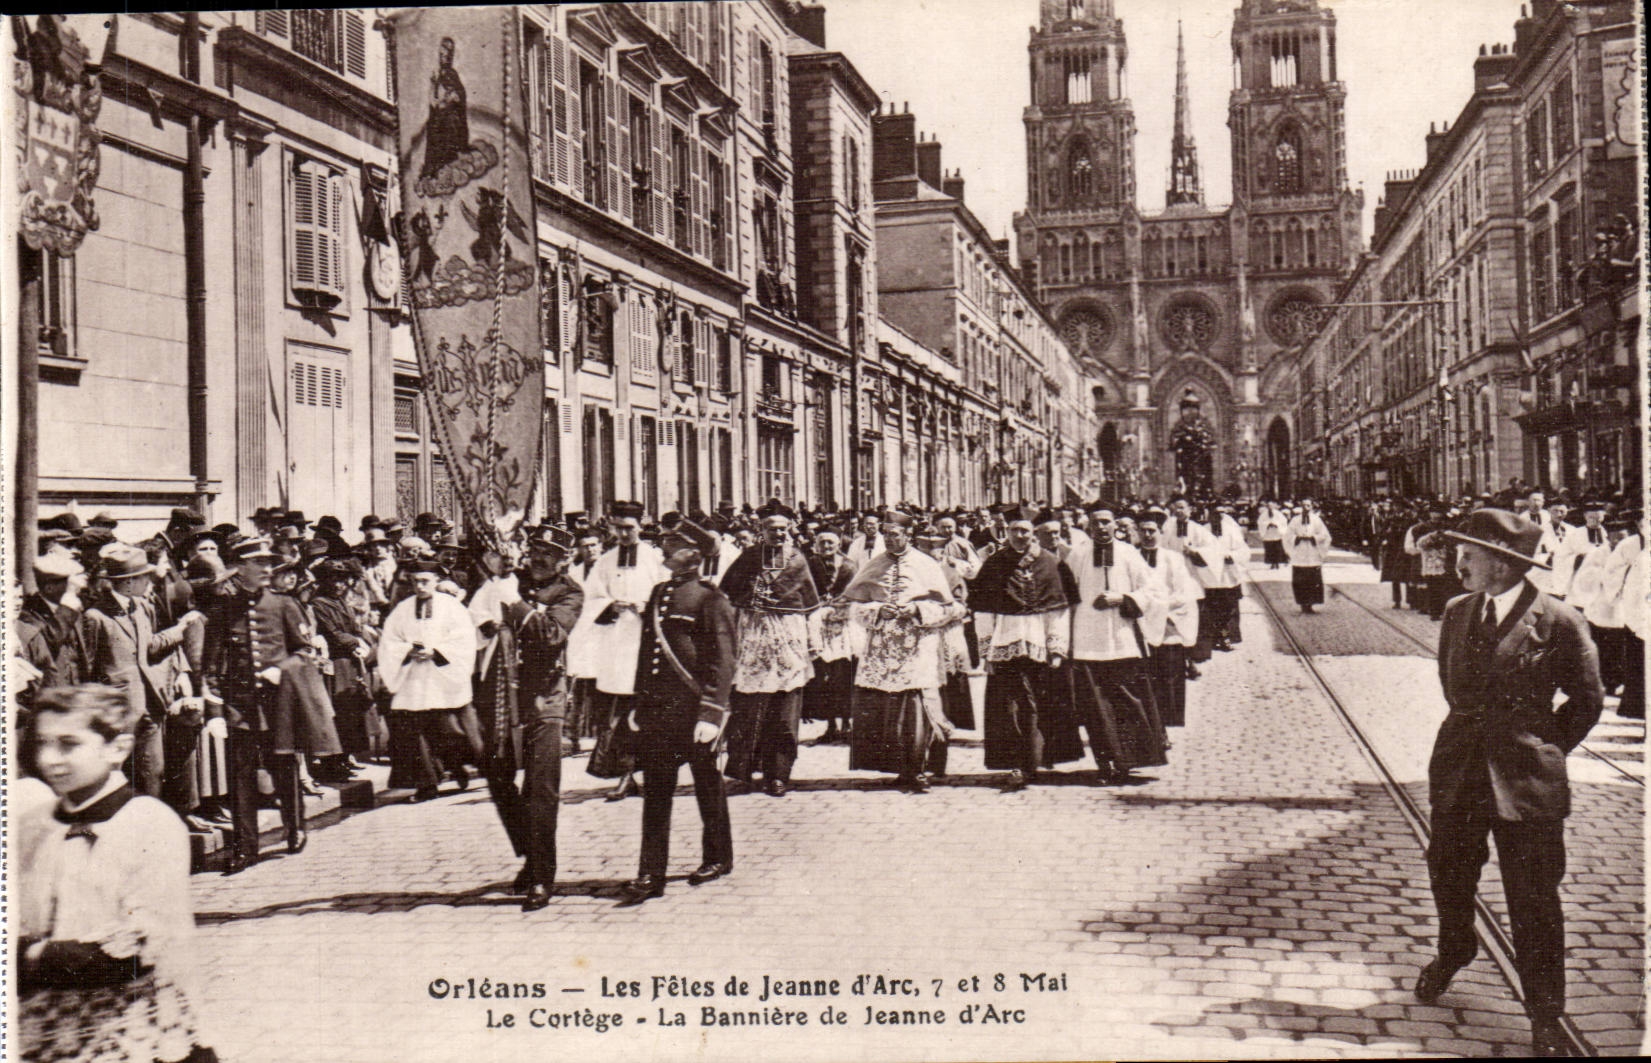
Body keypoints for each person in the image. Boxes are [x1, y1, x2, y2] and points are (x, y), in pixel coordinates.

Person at [1417, 509, 1603, 1057]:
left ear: (1501, 564)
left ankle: (1545, 1015)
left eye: (1467, 556)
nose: (1458, 565)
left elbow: (1587, 701)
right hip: (1459, 772)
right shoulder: (1457, 611)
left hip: (1526, 784)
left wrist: (1542, 750)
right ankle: (1456, 948)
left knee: (1534, 900)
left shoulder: (1559, 620)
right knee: (1448, 873)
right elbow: (1453, 686)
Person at [14, 685, 217, 1063]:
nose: (50, 759)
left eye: (68, 744)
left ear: (118, 748)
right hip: (44, 1031)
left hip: (136, 1030)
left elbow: (134, 951)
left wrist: (32, 955)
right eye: (43, 743)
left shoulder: (148, 823)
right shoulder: (32, 824)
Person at [620, 523, 737, 904]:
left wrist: (711, 714)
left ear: (694, 555)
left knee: (707, 785)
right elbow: (647, 653)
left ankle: (717, 857)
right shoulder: (659, 593)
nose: (665, 549)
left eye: (674, 544)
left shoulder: (710, 598)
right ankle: (650, 872)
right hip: (658, 711)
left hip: (693, 710)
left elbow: (723, 660)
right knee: (656, 791)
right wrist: (639, 701)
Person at [200, 538, 312, 872]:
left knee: (284, 766)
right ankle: (245, 847)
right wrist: (215, 712)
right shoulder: (222, 610)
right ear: (240, 567)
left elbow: (304, 651)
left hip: (278, 703)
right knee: (241, 777)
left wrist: (282, 669)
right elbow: (211, 666)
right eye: (258, 563)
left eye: (268, 563)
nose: (266, 569)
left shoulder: (284, 604)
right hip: (241, 707)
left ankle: (295, 827)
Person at [490, 533, 585, 911]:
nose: (540, 559)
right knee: (496, 775)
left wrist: (514, 604)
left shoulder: (569, 593)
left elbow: (550, 636)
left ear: (564, 560)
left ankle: (542, 875)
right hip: (501, 697)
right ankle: (531, 852)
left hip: (544, 697)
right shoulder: (512, 578)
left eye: (550, 554)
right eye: (536, 551)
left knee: (540, 787)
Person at [839, 512, 962, 793]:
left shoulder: (926, 564)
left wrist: (917, 609)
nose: (889, 539)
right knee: (887, 707)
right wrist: (876, 610)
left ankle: (919, 767)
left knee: (916, 705)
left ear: (908, 535)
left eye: (895, 534)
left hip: (918, 643)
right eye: (886, 534)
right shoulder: (874, 564)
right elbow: (853, 607)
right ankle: (897, 767)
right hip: (882, 645)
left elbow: (950, 608)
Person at [77, 545, 204, 803]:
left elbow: (150, 647)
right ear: (128, 582)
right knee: (118, 777)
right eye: (144, 576)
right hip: (118, 711)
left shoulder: (141, 607)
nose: (149, 581)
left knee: (153, 772)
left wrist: (180, 629)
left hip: (150, 705)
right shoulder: (95, 616)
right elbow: (87, 668)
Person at [970, 507, 1083, 791]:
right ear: (1006, 532)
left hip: (1040, 646)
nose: (1020, 536)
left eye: (1025, 531)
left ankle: (1035, 760)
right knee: (1009, 707)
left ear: (1034, 534)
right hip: (1004, 644)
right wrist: (986, 651)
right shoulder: (995, 563)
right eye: (1014, 530)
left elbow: (1058, 609)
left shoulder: (1051, 563)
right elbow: (983, 611)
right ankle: (1018, 763)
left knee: (1038, 704)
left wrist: (1056, 648)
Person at [720, 503, 820, 797]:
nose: (778, 533)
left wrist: (812, 641)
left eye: (783, 528)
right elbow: (728, 594)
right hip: (752, 637)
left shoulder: (797, 560)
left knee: (784, 712)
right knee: (748, 709)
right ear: (761, 530)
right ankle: (742, 771)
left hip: (788, 638)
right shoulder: (748, 558)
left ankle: (778, 774)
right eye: (772, 529)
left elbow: (810, 606)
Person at [1067, 505, 1167, 782]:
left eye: (1106, 522)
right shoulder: (1077, 555)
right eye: (1096, 523)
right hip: (1088, 641)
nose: (1101, 527)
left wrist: (1124, 598)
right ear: (1088, 526)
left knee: (1127, 703)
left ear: (1115, 525)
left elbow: (1153, 590)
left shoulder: (1129, 553)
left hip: (1123, 641)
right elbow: (1067, 597)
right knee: (1096, 708)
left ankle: (1127, 760)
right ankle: (1105, 763)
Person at [578, 502, 667, 800]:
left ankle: (652, 774)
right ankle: (625, 774)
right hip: (616, 646)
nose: (625, 534)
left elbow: (667, 594)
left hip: (646, 643)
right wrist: (609, 606)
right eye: (619, 529)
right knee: (618, 711)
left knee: (647, 711)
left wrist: (646, 608)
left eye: (630, 528)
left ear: (640, 526)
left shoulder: (655, 558)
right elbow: (590, 598)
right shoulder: (605, 561)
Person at [377, 559, 481, 803]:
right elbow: (390, 640)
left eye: (425, 581)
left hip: (442, 676)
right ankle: (427, 784)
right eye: (415, 581)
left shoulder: (452, 607)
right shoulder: (402, 609)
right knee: (414, 732)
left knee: (448, 730)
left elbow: (464, 638)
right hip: (413, 678)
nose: (420, 586)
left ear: (436, 581)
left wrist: (436, 652)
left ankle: (456, 766)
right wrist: (407, 651)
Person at [1134, 509, 1203, 729]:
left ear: (1161, 532)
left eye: (1151, 531)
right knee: (1144, 678)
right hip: (1139, 624)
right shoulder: (1131, 557)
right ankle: (1148, 725)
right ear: (1137, 532)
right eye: (1143, 531)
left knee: (1168, 676)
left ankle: (1165, 725)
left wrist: (1159, 609)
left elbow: (1183, 593)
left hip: (1168, 624)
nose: (1147, 535)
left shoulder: (1173, 559)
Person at [803, 528, 857, 743]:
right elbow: (804, 590)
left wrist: (839, 604)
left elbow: (854, 592)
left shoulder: (849, 566)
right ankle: (831, 725)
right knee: (824, 675)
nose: (826, 546)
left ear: (838, 544)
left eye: (830, 543)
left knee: (844, 673)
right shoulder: (810, 565)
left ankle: (847, 723)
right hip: (818, 623)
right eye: (822, 542)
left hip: (843, 624)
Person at [1286, 504, 1332, 614]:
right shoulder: (1295, 521)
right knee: (1300, 581)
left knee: (1312, 581)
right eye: (1303, 506)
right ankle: (1303, 604)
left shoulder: (1317, 520)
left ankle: (1310, 604)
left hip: (1313, 555)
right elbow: (1288, 536)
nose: (1306, 509)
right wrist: (1297, 538)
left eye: (1308, 506)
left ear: (1311, 508)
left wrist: (1313, 538)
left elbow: (1325, 536)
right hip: (1300, 556)